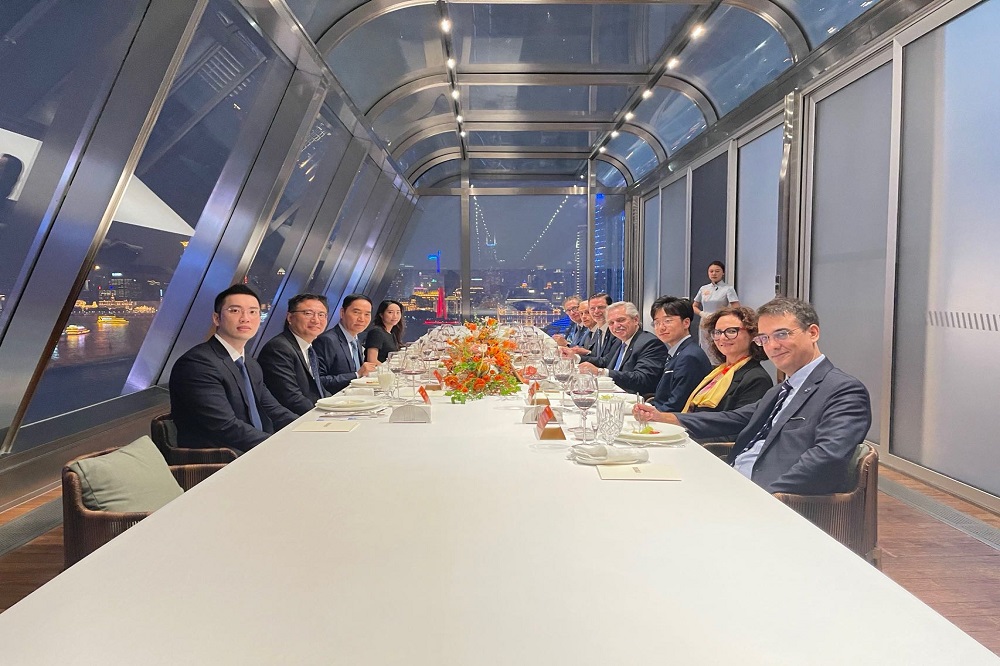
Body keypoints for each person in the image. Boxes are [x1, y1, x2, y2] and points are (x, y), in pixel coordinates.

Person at [635, 297, 872, 495]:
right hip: (733, 479)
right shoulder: (782, 389)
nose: (772, 345)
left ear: (813, 332)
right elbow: (734, 418)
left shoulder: (843, 390)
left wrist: (763, 497)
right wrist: (666, 417)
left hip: (767, 495)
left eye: (782, 334)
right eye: (765, 338)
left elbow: (826, 458)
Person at [169, 284, 297, 453]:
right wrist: (279, 446)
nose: (245, 318)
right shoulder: (197, 364)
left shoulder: (249, 363)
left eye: (253, 312)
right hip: (222, 458)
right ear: (216, 318)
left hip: (255, 448)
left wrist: (306, 428)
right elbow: (225, 426)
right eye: (235, 311)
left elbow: (274, 410)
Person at [682, 306, 773, 414]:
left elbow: (739, 421)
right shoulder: (716, 372)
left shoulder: (757, 379)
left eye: (731, 331)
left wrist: (677, 419)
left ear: (752, 334)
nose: (722, 338)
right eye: (717, 332)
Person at [257, 293, 330, 415]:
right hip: (294, 420)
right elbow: (291, 398)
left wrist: (337, 406)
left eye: (321, 315)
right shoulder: (279, 348)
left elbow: (319, 390)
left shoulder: (309, 348)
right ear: (290, 317)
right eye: (308, 313)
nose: (316, 320)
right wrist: (324, 415)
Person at [579, 301, 667, 395]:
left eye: (621, 320)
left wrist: (600, 372)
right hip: (611, 394)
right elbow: (606, 361)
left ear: (635, 320)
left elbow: (643, 379)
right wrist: (577, 358)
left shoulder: (650, 343)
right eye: (611, 323)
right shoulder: (619, 340)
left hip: (633, 398)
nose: (616, 326)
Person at [650, 296, 712, 411]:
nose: (661, 327)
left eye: (668, 321)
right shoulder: (679, 352)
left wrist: (650, 413)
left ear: (686, 323)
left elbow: (677, 405)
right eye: (656, 323)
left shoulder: (689, 357)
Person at [313, 293, 379, 395]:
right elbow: (319, 381)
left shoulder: (355, 338)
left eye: (367, 314)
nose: (362, 319)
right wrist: (357, 374)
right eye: (356, 312)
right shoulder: (327, 340)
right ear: (342, 313)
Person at [693, 261, 740, 356]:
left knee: (718, 346)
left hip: (719, 322)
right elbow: (694, 306)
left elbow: (736, 307)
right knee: (705, 345)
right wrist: (702, 313)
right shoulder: (703, 288)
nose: (714, 273)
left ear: (723, 273)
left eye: (717, 271)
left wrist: (725, 316)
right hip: (705, 321)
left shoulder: (728, 289)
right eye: (711, 271)